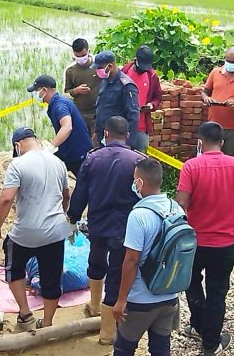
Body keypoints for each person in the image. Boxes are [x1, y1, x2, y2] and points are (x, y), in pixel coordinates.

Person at [176, 122, 234, 356]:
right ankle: (211, 343)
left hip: (194, 242)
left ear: (200, 143)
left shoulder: (191, 167)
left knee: (191, 284)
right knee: (217, 291)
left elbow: (181, 203)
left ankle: (198, 325)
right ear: (222, 142)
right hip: (224, 244)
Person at [67, 116, 145, 344]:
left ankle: (93, 305)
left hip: (98, 223)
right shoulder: (137, 161)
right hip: (125, 228)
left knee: (96, 261)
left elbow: (80, 192)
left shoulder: (92, 159)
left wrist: (72, 218)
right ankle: (107, 333)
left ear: (106, 134)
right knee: (116, 273)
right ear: (128, 136)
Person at [0, 127, 70, 330]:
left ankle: (25, 314)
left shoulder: (17, 164)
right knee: (52, 278)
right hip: (55, 231)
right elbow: (66, 195)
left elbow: (7, 198)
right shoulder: (58, 162)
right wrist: (62, 214)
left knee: (14, 269)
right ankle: (48, 322)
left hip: (26, 232)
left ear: (18, 145)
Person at [112, 158, 183, 356]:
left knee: (123, 348)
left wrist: (121, 300)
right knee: (161, 349)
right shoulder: (176, 208)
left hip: (141, 299)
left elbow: (132, 261)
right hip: (169, 295)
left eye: (135, 180)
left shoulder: (139, 215)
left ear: (140, 183)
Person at [27, 74, 92, 176]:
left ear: (44, 90)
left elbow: (67, 127)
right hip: (69, 150)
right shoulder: (56, 102)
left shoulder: (60, 105)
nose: (36, 94)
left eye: (37, 91)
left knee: (85, 186)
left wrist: (51, 147)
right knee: (50, 168)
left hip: (78, 153)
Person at [91, 51, 140, 148]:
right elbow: (101, 108)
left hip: (118, 141)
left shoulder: (126, 86)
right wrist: (97, 132)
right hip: (104, 138)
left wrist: (127, 144)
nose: (97, 71)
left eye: (100, 68)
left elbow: (133, 117)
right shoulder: (105, 81)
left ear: (109, 66)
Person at [121, 45, 162, 152]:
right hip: (123, 125)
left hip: (141, 127)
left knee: (141, 158)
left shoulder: (152, 76)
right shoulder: (125, 72)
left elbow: (157, 97)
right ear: (136, 60)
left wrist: (151, 105)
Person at [64, 38, 101, 140]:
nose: (81, 58)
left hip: (97, 113)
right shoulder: (70, 71)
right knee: (82, 142)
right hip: (80, 113)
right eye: (78, 56)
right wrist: (76, 90)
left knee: (97, 143)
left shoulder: (98, 66)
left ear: (89, 52)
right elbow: (66, 93)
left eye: (83, 55)